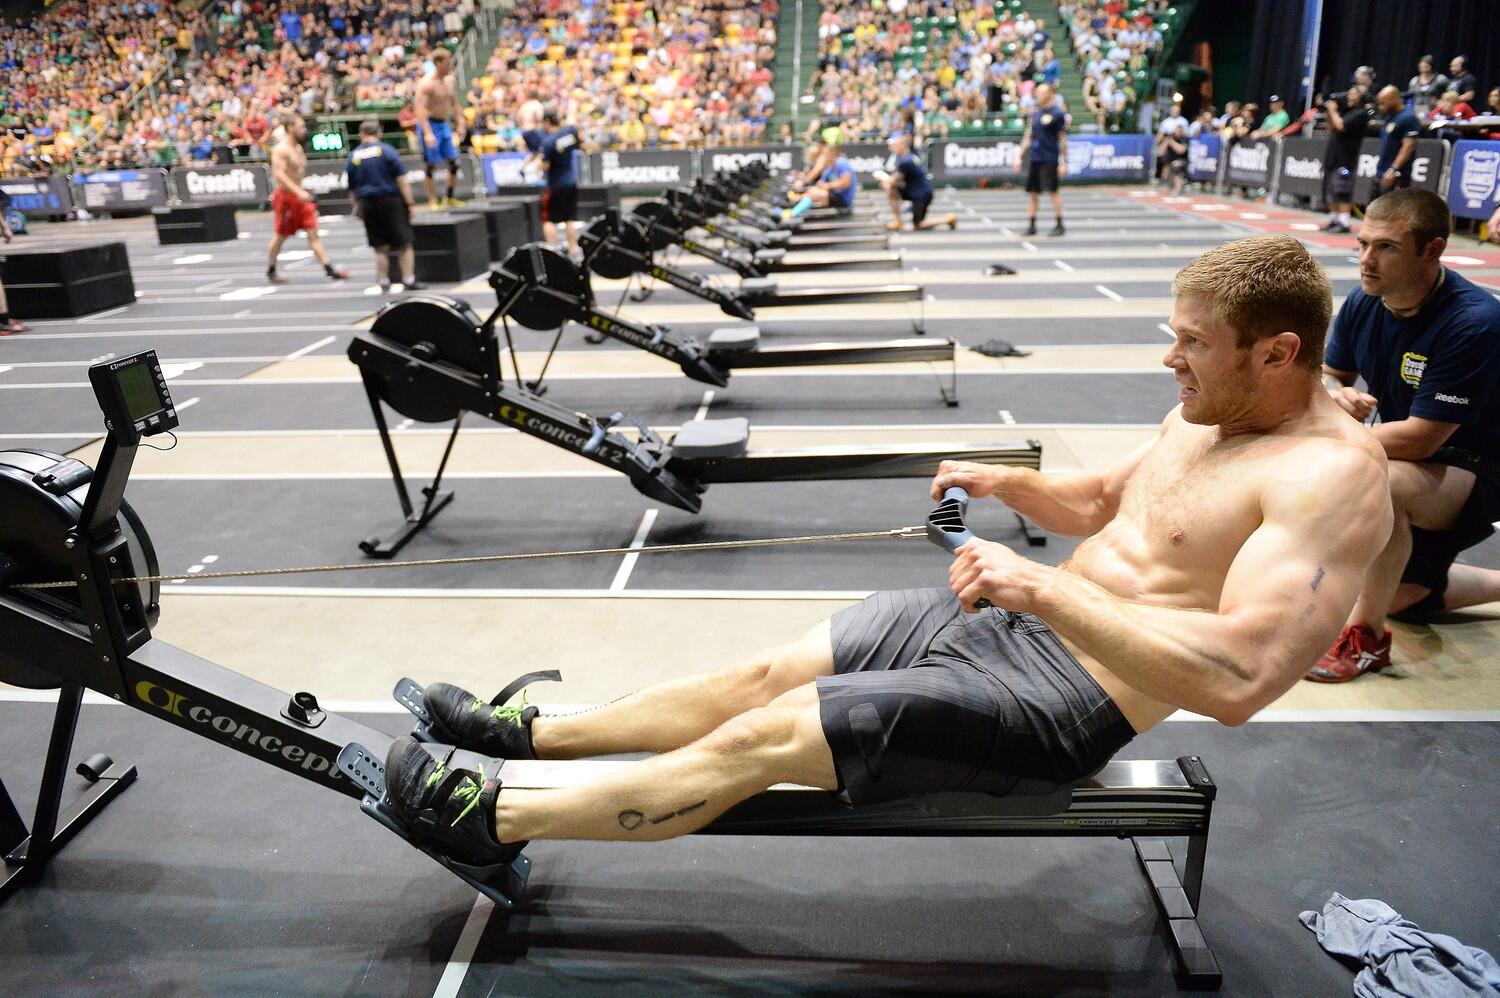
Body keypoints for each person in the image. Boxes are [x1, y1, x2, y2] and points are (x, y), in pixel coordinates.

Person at [376, 236, 1392, 866]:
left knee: (765, 735)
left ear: (1278, 353)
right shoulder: (1207, 408)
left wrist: (1043, 591)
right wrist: (1004, 480)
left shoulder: (1328, 480)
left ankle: (489, 813)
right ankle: (528, 736)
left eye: (1193, 343)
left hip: (1063, 698)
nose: (1170, 359)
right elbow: (1100, 504)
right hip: (1010, 618)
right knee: (760, 674)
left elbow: (1241, 681)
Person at [1310, 190, 1500, 681]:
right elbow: (1329, 377)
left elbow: (1421, 439)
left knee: (1377, 479)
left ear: (1433, 250)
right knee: (1400, 597)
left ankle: (1366, 642)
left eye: (1387, 247)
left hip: (1475, 469)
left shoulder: (1474, 322)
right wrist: (1334, 396)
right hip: (1415, 461)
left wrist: (1322, 432)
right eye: (1363, 243)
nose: (1366, 260)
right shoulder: (1365, 301)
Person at [267, 114, 349, 285]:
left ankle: (329, 268)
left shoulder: (298, 148)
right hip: (287, 198)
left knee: (313, 233)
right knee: (280, 235)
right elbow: (279, 175)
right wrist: (298, 192)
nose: (304, 130)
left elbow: (297, 173)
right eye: (301, 127)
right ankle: (271, 269)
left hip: (301, 197)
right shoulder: (281, 149)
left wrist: (302, 192)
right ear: (290, 128)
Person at [345, 120, 422, 295]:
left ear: (361, 134)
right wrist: (409, 204)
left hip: (367, 203)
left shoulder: (354, 156)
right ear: (379, 133)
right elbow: (402, 180)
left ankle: (383, 281)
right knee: (404, 243)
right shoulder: (387, 151)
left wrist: (357, 209)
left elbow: (351, 189)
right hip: (390, 201)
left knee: (379, 246)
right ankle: (409, 279)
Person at [414, 48, 466, 210]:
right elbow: (420, 109)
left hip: (443, 124)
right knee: (431, 165)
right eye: (447, 63)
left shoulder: (450, 80)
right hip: (430, 124)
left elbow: (454, 102)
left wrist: (460, 121)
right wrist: (428, 133)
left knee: (454, 162)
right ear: (438, 63)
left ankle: (449, 197)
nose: (450, 65)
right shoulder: (426, 84)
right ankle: (432, 200)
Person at [1019, 82, 1068, 236]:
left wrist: (1063, 161)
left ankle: (1059, 224)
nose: (1038, 95)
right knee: (1033, 193)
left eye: (1041, 92)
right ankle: (1032, 225)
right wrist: (1019, 156)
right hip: (1036, 157)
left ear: (1049, 94)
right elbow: (1028, 136)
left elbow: (1062, 139)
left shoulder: (1057, 114)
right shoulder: (1035, 113)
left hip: (1050, 157)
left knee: (1053, 191)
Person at [879, 133, 955, 232]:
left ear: (902, 146)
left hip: (920, 195)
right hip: (918, 192)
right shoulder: (910, 157)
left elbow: (893, 181)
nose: (892, 148)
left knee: (918, 225)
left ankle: (947, 219)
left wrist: (881, 177)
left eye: (895, 146)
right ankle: (898, 221)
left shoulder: (906, 161)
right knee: (892, 190)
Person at [1321, 86, 1370, 233]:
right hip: (1333, 157)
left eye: (1354, 94)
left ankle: (1344, 223)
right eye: (1349, 93)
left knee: (1342, 189)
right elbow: (1331, 128)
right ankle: (1334, 219)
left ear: (1361, 97)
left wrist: (1332, 110)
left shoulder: (1360, 113)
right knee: (1330, 189)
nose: (1349, 96)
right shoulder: (1346, 111)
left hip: (1346, 161)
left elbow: (1341, 126)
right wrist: (1329, 112)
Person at [539, 107, 581, 255]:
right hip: (571, 182)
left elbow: (545, 166)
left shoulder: (548, 142)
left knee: (549, 220)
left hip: (556, 185)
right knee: (569, 218)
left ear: (547, 122)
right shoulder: (569, 133)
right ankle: (572, 248)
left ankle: (552, 252)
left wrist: (538, 166)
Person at [783, 141, 856, 219]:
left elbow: (845, 183)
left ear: (832, 153)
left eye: (825, 154)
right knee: (812, 190)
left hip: (843, 199)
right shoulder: (830, 167)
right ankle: (795, 202)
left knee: (814, 193)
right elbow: (821, 182)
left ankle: (793, 213)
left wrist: (828, 185)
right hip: (834, 194)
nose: (823, 157)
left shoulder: (841, 162)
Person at [1373, 85, 1420, 193]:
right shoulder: (1389, 116)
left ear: (1393, 100)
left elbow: (1408, 147)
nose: (1381, 107)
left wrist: (1393, 170)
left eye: (1383, 103)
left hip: (1396, 176)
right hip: (1381, 172)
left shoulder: (1408, 117)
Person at [1156, 123, 1188, 195]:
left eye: (1180, 131)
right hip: (1170, 162)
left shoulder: (1184, 139)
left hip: (1183, 161)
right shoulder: (1170, 138)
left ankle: (1177, 189)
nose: (1178, 133)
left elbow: (1181, 150)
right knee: (1166, 163)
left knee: (1175, 166)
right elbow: (1160, 153)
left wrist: (1172, 142)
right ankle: (1165, 184)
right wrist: (1165, 142)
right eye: (1177, 131)